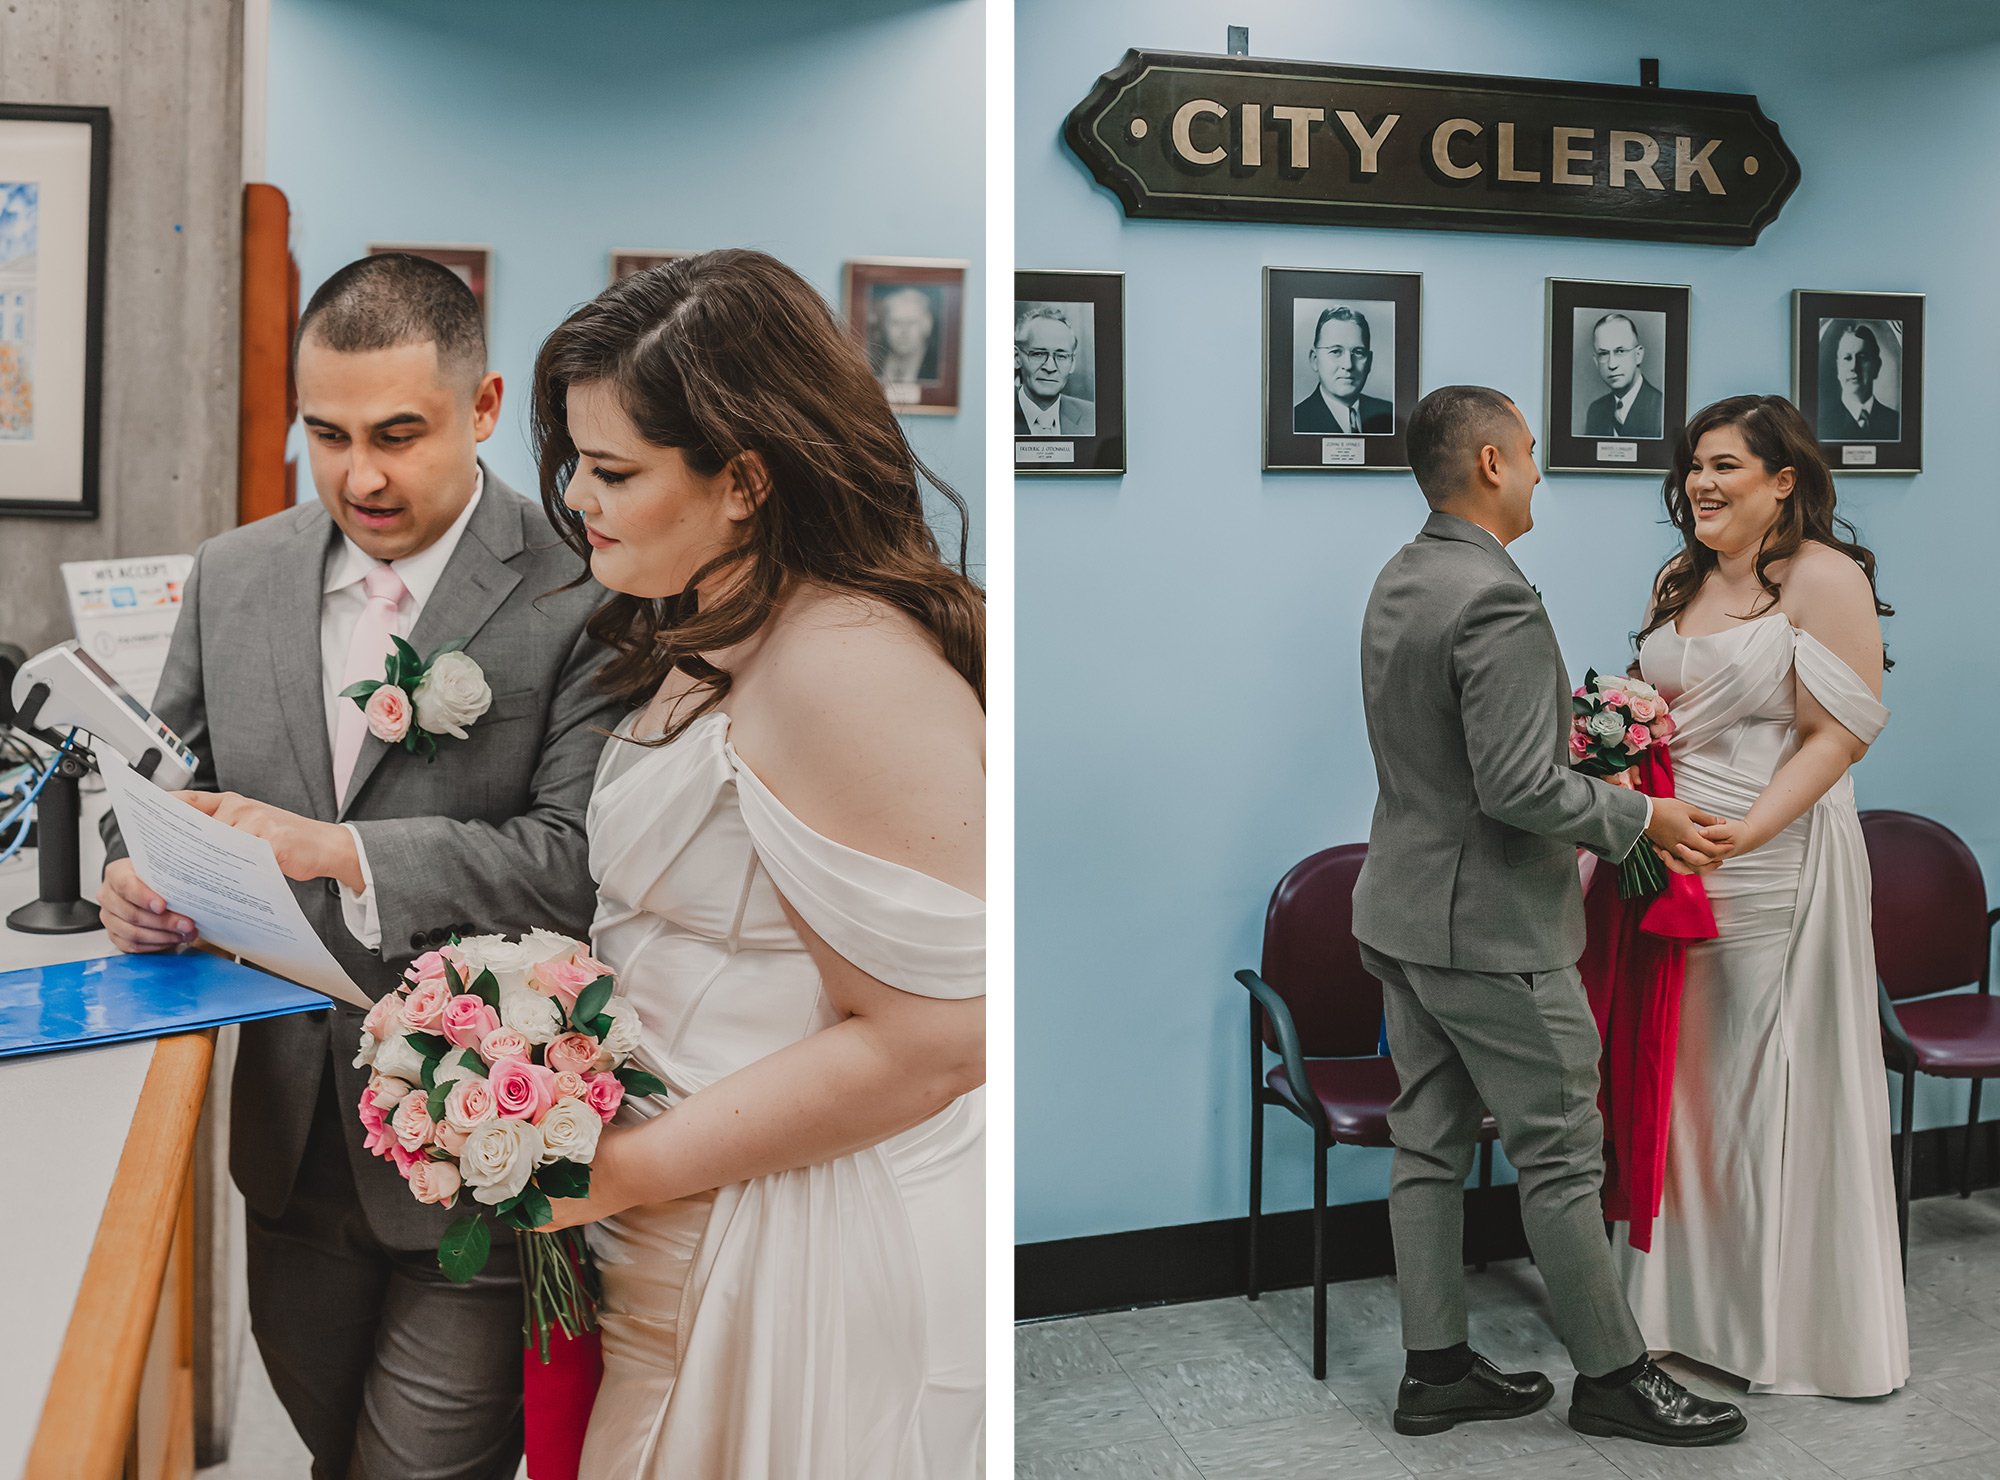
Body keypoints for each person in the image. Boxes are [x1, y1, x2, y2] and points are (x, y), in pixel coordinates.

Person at [95, 252, 619, 1480]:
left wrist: (339, 849)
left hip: (482, 1142)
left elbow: (575, 861)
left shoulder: (579, 589)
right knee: (331, 1448)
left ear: (483, 408)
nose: (359, 474)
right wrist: (135, 872)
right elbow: (166, 788)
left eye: (398, 433)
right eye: (325, 434)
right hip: (289, 1141)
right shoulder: (235, 574)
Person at [527, 248, 986, 1478]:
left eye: (616, 470)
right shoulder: (703, 624)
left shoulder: (844, 661)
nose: (578, 494)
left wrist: (614, 1168)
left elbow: (940, 1041)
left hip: (791, 1235)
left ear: (742, 478)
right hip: (678, 1210)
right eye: (574, 460)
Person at [1351, 383, 1747, 1447]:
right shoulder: (1496, 598)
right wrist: (1646, 816)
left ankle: (1435, 1370)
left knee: (1426, 1146)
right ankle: (1615, 1377)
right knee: (1563, 1153)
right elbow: (1518, 789)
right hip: (1489, 928)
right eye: (1526, 450)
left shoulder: (1405, 573)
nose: (1536, 469)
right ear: (1489, 464)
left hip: (1398, 908)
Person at [1609, 393, 1908, 1396]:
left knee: (1764, 1081)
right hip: (1669, 854)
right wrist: (1620, 774)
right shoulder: (1675, 576)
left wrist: (1745, 832)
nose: (1701, 482)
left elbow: (1840, 732)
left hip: (1769, 852)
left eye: (1726, 464)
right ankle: (1669, 1310)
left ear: (1783, 480)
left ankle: (1772, 1328)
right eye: (1695, 463)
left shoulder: (1822, 578)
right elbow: (1651, 712)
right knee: (1679, 1083)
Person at [1293, 305, 1393, 434]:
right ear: (1314, 359)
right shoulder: (1296, 420)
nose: (1348, 365)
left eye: (1358, 352)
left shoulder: (1389, 415)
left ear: (1369, 362)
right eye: (1336, 351)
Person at [1013, 303, 1095, 435]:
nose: (1050, 368)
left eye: (1061, 356)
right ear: (1016, 358)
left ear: (1072, 362)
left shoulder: (1092, 416)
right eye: (1038, 354)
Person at [1581, 312, 1664, 438]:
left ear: (1638, 355)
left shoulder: (1661, 407)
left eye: (1620, 351)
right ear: (1596, 362)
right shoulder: (1596, 411)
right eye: (1603, 354)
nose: (1612, 364)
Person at [1821, 323, 1900, 440]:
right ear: (1837, 367)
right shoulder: (1824, 425)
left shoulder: (1896, 422)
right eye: (1847, 358)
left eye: (1862, 357)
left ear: (1877, 366)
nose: (1854, 366)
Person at [870, 284, 938, 386]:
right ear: (885, 325)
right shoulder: (873, 364)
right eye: (896, 322)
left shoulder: (937, 368)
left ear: (927, 324)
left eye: (911, 323)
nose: (903, 332)